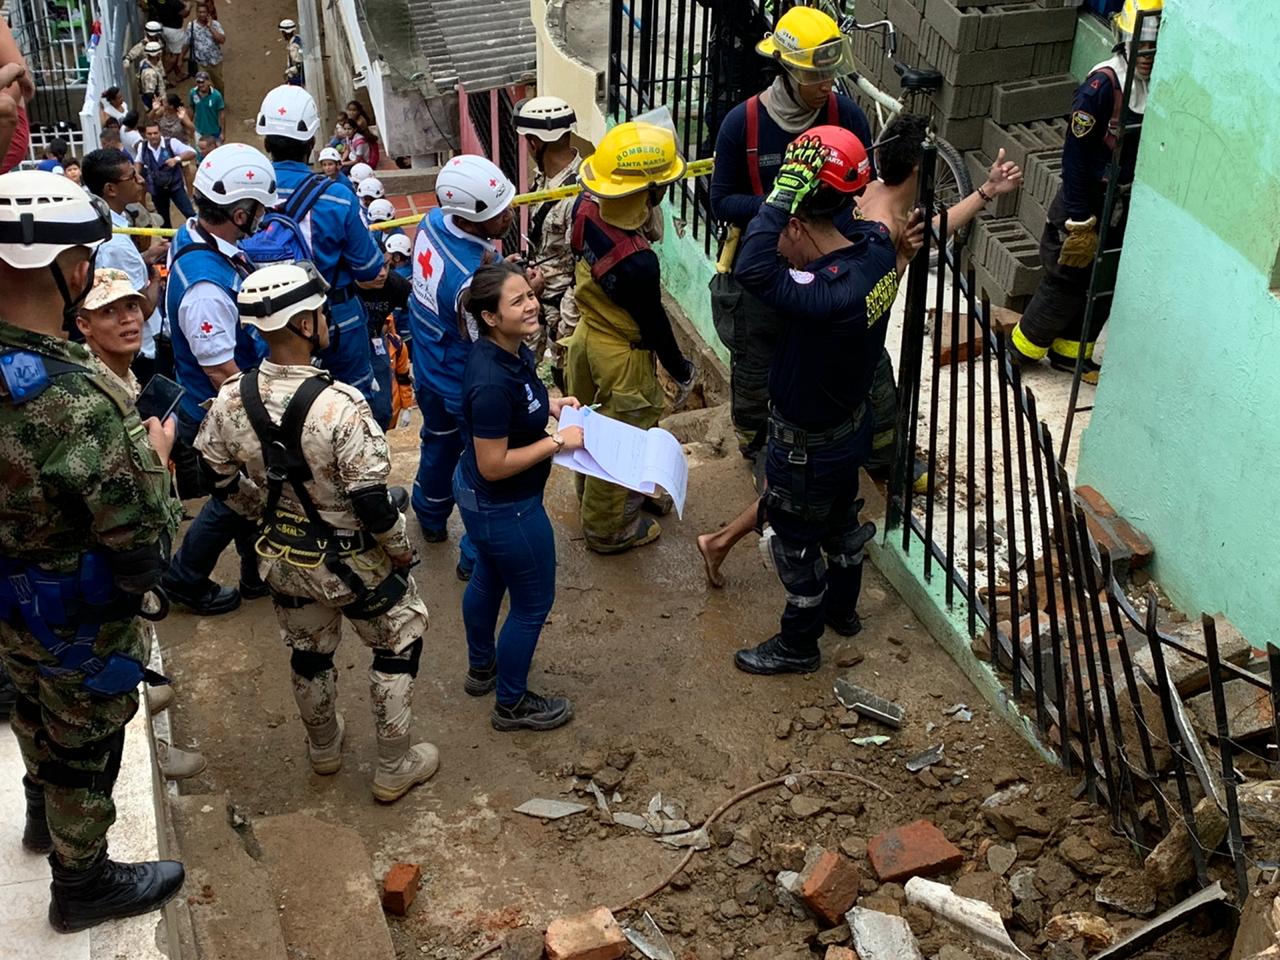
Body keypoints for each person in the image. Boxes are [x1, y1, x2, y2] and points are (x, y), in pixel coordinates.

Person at [696, 115, 1023, 589]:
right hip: (833, 357)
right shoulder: (876, 231)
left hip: (827, 343)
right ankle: (734, 543)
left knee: (806, 486)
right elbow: (878, 277)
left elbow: (914, 242)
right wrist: (909, 252)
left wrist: (982, 195)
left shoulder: (864, 203)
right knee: (803, 485)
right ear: (917, 170)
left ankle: (722, 540)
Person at [0, 169, 185, 932]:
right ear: (73, 270)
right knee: (86, 739)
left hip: (10, 601)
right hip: (77, 609)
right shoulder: (77, 398)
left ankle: (40, 814)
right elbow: (140, 538)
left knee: (30, 704)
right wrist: (158, 462)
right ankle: (84, 882)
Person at [197, 262, 438, 801]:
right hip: (356, 563)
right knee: (398, 644)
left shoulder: (232, 398)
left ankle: (324, 747)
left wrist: (259, 510)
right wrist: (400, 552)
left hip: (284, 557)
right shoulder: (340, 406)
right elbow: (373, 504)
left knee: (309, 653)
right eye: (322, 314)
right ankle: (393, 765)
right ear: (306, 324)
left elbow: (211, 473)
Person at [728, 129, 921, 675]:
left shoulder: (827, 292)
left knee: (795, 547)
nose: (778, 244)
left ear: (796, 222)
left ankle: (799, 644)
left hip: (806, 448)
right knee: (841, 523)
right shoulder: (877, 250)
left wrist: (781, 192)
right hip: (848, 429)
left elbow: (752, 269)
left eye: (782, 231)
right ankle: (844, 611)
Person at [709, 5, 873, 457]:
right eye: (814, 76)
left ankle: (875, 448)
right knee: (756, 363)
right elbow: (721, 200)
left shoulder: (846, 116)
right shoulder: (743, 124)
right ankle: (755, 444)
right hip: (768, 268)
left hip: (833, 269)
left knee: (852, 357)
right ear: (785, 68)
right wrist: (778, 205)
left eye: (831, 74)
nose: (826, 85)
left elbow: (868, 185)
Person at [454, 262, 583, 730]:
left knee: (488, 576)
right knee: (531, 604)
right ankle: (510, 702)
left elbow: (520, 399)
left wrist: (549, 405)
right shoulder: (491, 381)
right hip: (505, 507)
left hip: (483, 501)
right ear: (490, 317)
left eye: (529, 295)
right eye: (518, 301)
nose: (531, 305)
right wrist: (556, 442)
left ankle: (481, 668)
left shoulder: (509, 349)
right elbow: (494, 463)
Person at [1008, 0, 1161, 384]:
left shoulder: (1154, 88)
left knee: (1099, 281)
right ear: (1124, 40)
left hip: (1119, 204)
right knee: (1067, 280)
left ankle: (1070, 355)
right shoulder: (1101, 87)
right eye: (1141, 46)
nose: (1147, 56)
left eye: (1155, 48)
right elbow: (1074, 158)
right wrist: (1079, 220)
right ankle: (1017, 353)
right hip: (1085, 201)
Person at [563, 118, 697, 554]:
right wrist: (680, 369)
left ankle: (612, 495)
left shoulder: (585, 206)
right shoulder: (639, 264)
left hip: (587, 337)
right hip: (622, 356)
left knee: (591, 426)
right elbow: (655, 323)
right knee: (623, 439)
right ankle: (608, 529)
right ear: (648, 193)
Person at [160, 142, 278, 614]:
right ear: (240, 214)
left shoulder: (194, 236)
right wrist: (265, 418)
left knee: (250, 491)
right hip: (216, 409)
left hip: (215, 400)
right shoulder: (206, 288)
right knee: (232, 498)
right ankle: (185, 577)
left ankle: (254, 572)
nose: (264, 218)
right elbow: (220, 372)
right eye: (259, 210)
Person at [407, 155, 518, 579]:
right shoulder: (470, 285)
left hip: (428, 363)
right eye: (499, 212)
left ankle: (430, 515)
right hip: (460, 380)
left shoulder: (433, 221)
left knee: (437, 442)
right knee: (482, 466)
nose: (509, 215)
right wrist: (520, 292)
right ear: (470, 219)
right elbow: (487, 340)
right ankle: (475, 555)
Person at [256, 84, 386, 409]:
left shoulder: (249, 195)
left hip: (267, 323)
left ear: (266, 141)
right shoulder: (337, 197)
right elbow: (369, 268)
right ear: (312, 142)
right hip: (336, 318)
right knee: (352, 402)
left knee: (280, 405)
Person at [82, 148, 170, 385]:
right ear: (110, 189)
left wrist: (144, 257)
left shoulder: (96, 222)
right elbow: (143, 309)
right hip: (141, 353)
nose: (140, 180)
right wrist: (156, 280)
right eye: (132, 176)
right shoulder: (117, 243)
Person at [513, 95, 582, 382]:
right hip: (541, 298)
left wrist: (564, 331)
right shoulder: (546, 179)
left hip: (564, 311)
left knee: (567, 381)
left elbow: (583, 268)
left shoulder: (578, 194)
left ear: (533, 143)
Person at [357, 246, 410, 431]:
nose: (382, 273)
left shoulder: (396, 284)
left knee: (382, 410)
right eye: (375, 267)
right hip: (345, 343)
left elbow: (422, 313)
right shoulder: (341, 285)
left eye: (386, 266)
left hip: (375, 340)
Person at [135, 120, 195, 228]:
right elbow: (138, 161)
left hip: (175, 187)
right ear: (145, 134)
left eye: (155, 133)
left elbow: (192, 152)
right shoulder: (142, 147)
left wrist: (177, 159)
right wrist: (137, 174)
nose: (153, 136)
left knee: (189, 213)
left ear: (160, 132)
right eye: (149, 134)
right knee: (163, 221)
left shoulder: (171, 143)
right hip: (157, 190)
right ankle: (168, 239)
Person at [145, 0, 189, 81]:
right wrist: (189, 6)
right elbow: (184, 13)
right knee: (176, 55)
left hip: (164, 27)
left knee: (172, 52)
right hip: (175, 31)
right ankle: (161, 77)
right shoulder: (174, 2)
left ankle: (178, 74)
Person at [189, 2, 225, 95]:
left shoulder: (216, 25)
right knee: (202, 85)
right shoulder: (191, 26)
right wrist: (180, 58)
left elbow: (222, 40)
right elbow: (187, 42)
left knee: (218, 85)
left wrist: (210, 27)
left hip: (215, 61)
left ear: (208, 13)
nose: (201, 14)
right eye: (199, 12)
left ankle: (219, 100)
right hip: (201, 63)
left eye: (204, 12)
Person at [188, 70, 224, 142]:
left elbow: (222, 115)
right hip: (199, 131)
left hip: (214, 131)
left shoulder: (217, 95)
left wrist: (223, 133)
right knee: (200, 148)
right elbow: (191, 109)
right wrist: (189, 127)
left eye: (202, 82)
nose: (200, 85)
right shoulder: (192, 93)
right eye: (198, 82)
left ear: (208, 82)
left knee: (214, 149)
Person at [137, 41, 166, 111]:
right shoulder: (150, 73)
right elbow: (150, 94)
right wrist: (160, 104)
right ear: (157, 55)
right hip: (154, 106)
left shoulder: (144, 62)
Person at [280, 19, 304, 86]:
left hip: (299, 78)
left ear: (284, 33)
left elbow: (299, 65)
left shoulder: (294, 46)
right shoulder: (298, 38)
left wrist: (288, 71)